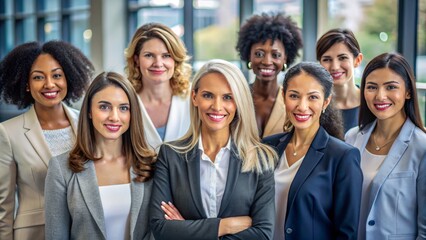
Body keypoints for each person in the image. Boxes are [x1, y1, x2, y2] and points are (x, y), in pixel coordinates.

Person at [149, 59, 277, 239]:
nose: (217, 106)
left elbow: (263, 234)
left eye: (227, 97)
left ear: (239, 102)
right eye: (208, 95)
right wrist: (225, 225)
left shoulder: (261, 158)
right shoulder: (170, 155)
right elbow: (161, 228)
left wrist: (186, 230)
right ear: (195, 97)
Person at [44, 72, 157, 240]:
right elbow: (56, 236)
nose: (114, 117)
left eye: (123, 108)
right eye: (104, 107)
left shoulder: (152, 165)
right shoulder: (61, 168)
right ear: (89, 111)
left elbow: (158, 231)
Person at [0, 40, 94, 240]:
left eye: (57, 75)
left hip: (85, 231)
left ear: (69, 78)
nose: (49, 84)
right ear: (25, 83)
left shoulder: (89, 123)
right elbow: (4, 206)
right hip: (35, 233)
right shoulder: (8, 133)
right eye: (38, 77)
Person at [263, 62, 363, 240]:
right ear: (283, 96)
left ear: (326, 102)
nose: (302, 106)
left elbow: (347, 233)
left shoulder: (343, 157)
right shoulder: (267, 147)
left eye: (312, 97)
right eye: (294, 96)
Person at [345, 53, 426, 240]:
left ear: (408, 92)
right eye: (372, 87)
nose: (380, 96)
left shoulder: (422, 147)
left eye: (391, 87)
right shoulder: (351, 138)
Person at [125, 22, 192, 151]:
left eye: (166, 56)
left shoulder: (192, 101)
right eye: (149, 55)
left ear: (176, 60)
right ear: (136, 60)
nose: (158, 63)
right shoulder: (125, 101)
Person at [236, 12, 303, 138]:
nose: (267, 62)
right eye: (259, 54)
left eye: (276, 55)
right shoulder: (236, 98)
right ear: (248, 55)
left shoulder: (293, 102)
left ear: (285, 58)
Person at [316, 28, 363, 132]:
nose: (335, 67)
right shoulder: (315, 106)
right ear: (319, 64)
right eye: (327, 59)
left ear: (357, 60)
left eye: (342, 58)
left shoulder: (371, 103)